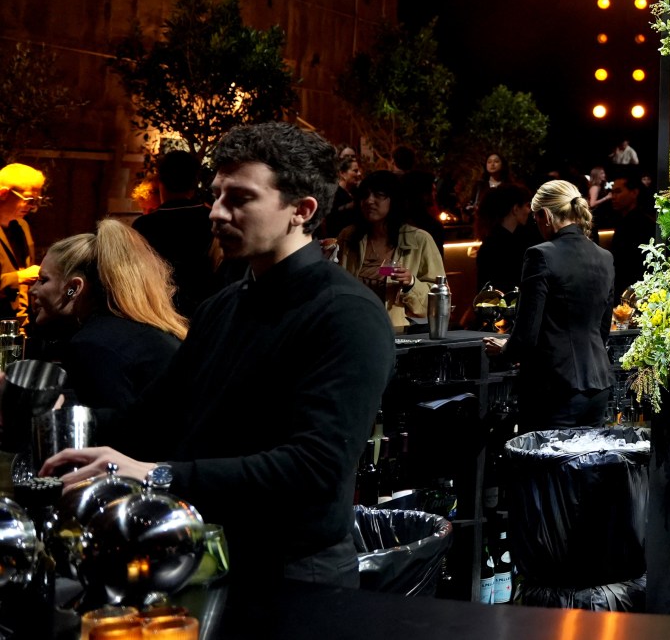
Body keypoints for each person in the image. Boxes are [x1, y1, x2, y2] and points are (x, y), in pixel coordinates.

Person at [42, 122, 396, 588]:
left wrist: (156, 474)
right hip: (208, 559)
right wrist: (59, 417)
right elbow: (155, 417)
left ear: (301, 210)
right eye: (216, 195)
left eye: (240, 198)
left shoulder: (347, 314)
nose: (216, 213)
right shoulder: (222, 306)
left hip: (293, 579)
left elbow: (313, 469)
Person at [484, 180, 616, 429]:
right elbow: (602, 330)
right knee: (585, 464)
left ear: (544, 215)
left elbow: (527, 333)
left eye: (536, 219)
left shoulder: (540, 255)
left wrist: (504, 349)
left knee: (544, 465)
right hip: (598, 385)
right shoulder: (604, 257)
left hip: (554, 387)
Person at [24, 221, 184, 422]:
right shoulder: (132, 333)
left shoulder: (94, 345)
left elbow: (114, 436)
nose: (33, 290)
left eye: (43, 280)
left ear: (73, 289)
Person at [336, 170, 446, 330]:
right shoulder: (348, 237)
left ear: (394, 200)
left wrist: (411, 283)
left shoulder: (419, 240)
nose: (369, 201)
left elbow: (439, 299)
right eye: (365, 196)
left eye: (379, 195)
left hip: (396, 334)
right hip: (352, 332)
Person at [133, 149, 222, 316]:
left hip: (157, 313)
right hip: (203, 312)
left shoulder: (144, 226)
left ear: (160, 181)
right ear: (195, 182)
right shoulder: (212, 220)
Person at [1, 162, 46, 321]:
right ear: (3, 193)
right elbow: (22, 276)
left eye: (36, 200)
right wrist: (18, 277)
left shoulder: (22, 226)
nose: (33, 206)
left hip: (22, 325)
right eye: (28, 199)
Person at [476, 184, 536, 294]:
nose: (530, 210)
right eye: (527, 205)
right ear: (515, 209)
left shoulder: (493, 241)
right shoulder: (504, 246)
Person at [605, 172, 657, 296]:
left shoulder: (642, 223)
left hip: (635, 290)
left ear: (634, 193)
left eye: (618, 192)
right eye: (612, 192)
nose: (613, 196)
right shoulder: (622, 220)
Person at [321, 152, 364, 249]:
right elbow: (330, 217)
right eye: (355, 171)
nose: (359, 174)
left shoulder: (357, 192)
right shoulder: (334, 193)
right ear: (343, 173)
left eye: (359, 171)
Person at [467, 153, 513, 238]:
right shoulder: (479, 186)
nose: (492, 164)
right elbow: (472, 203)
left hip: (505, 227)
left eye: (496, 161)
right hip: (484, 228)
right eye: (489, 162)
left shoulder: (509, 186)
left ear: (503, 165)